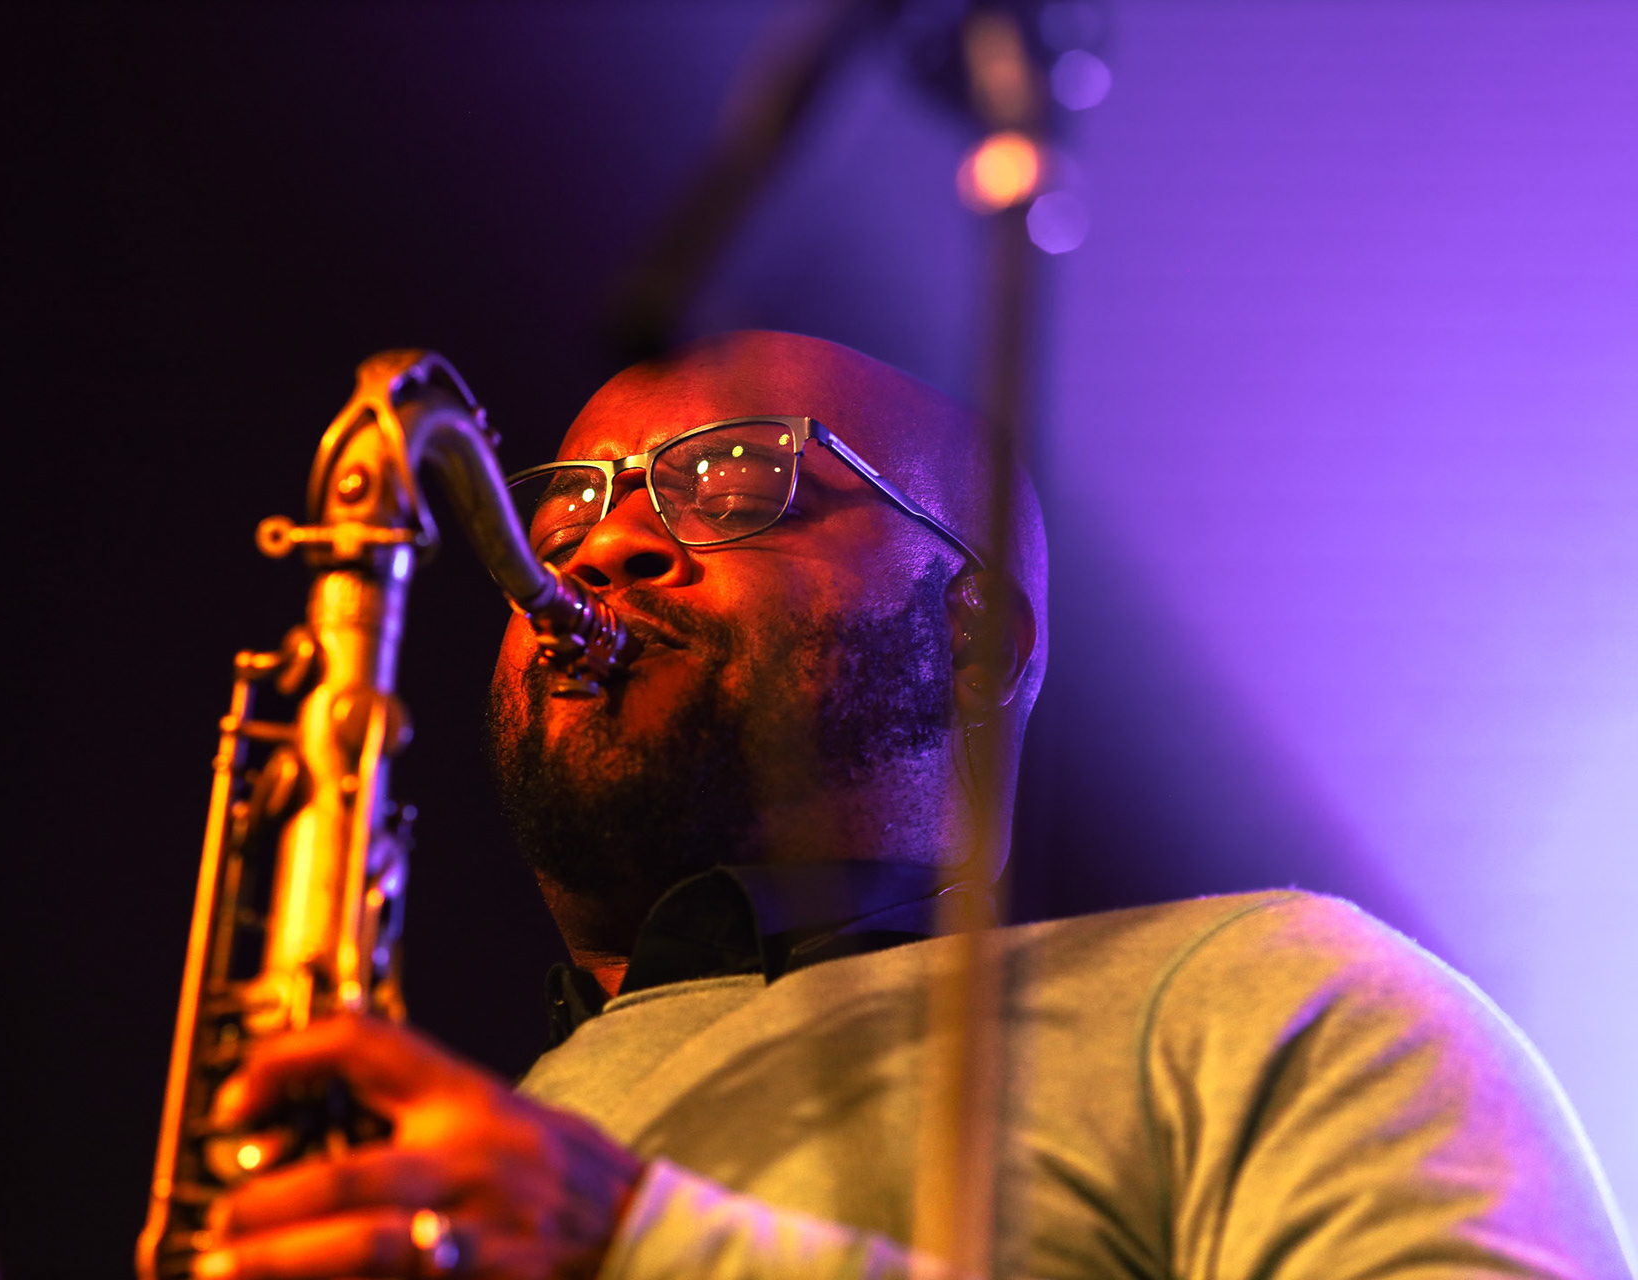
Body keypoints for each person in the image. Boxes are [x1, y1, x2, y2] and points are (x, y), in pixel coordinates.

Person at [190, 331, 1633, 1280]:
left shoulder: (1264, 993)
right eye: (564, 509)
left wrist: (632, 1245)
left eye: (738, 481)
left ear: (976, 636)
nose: (610, 543)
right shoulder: (439, 1165)